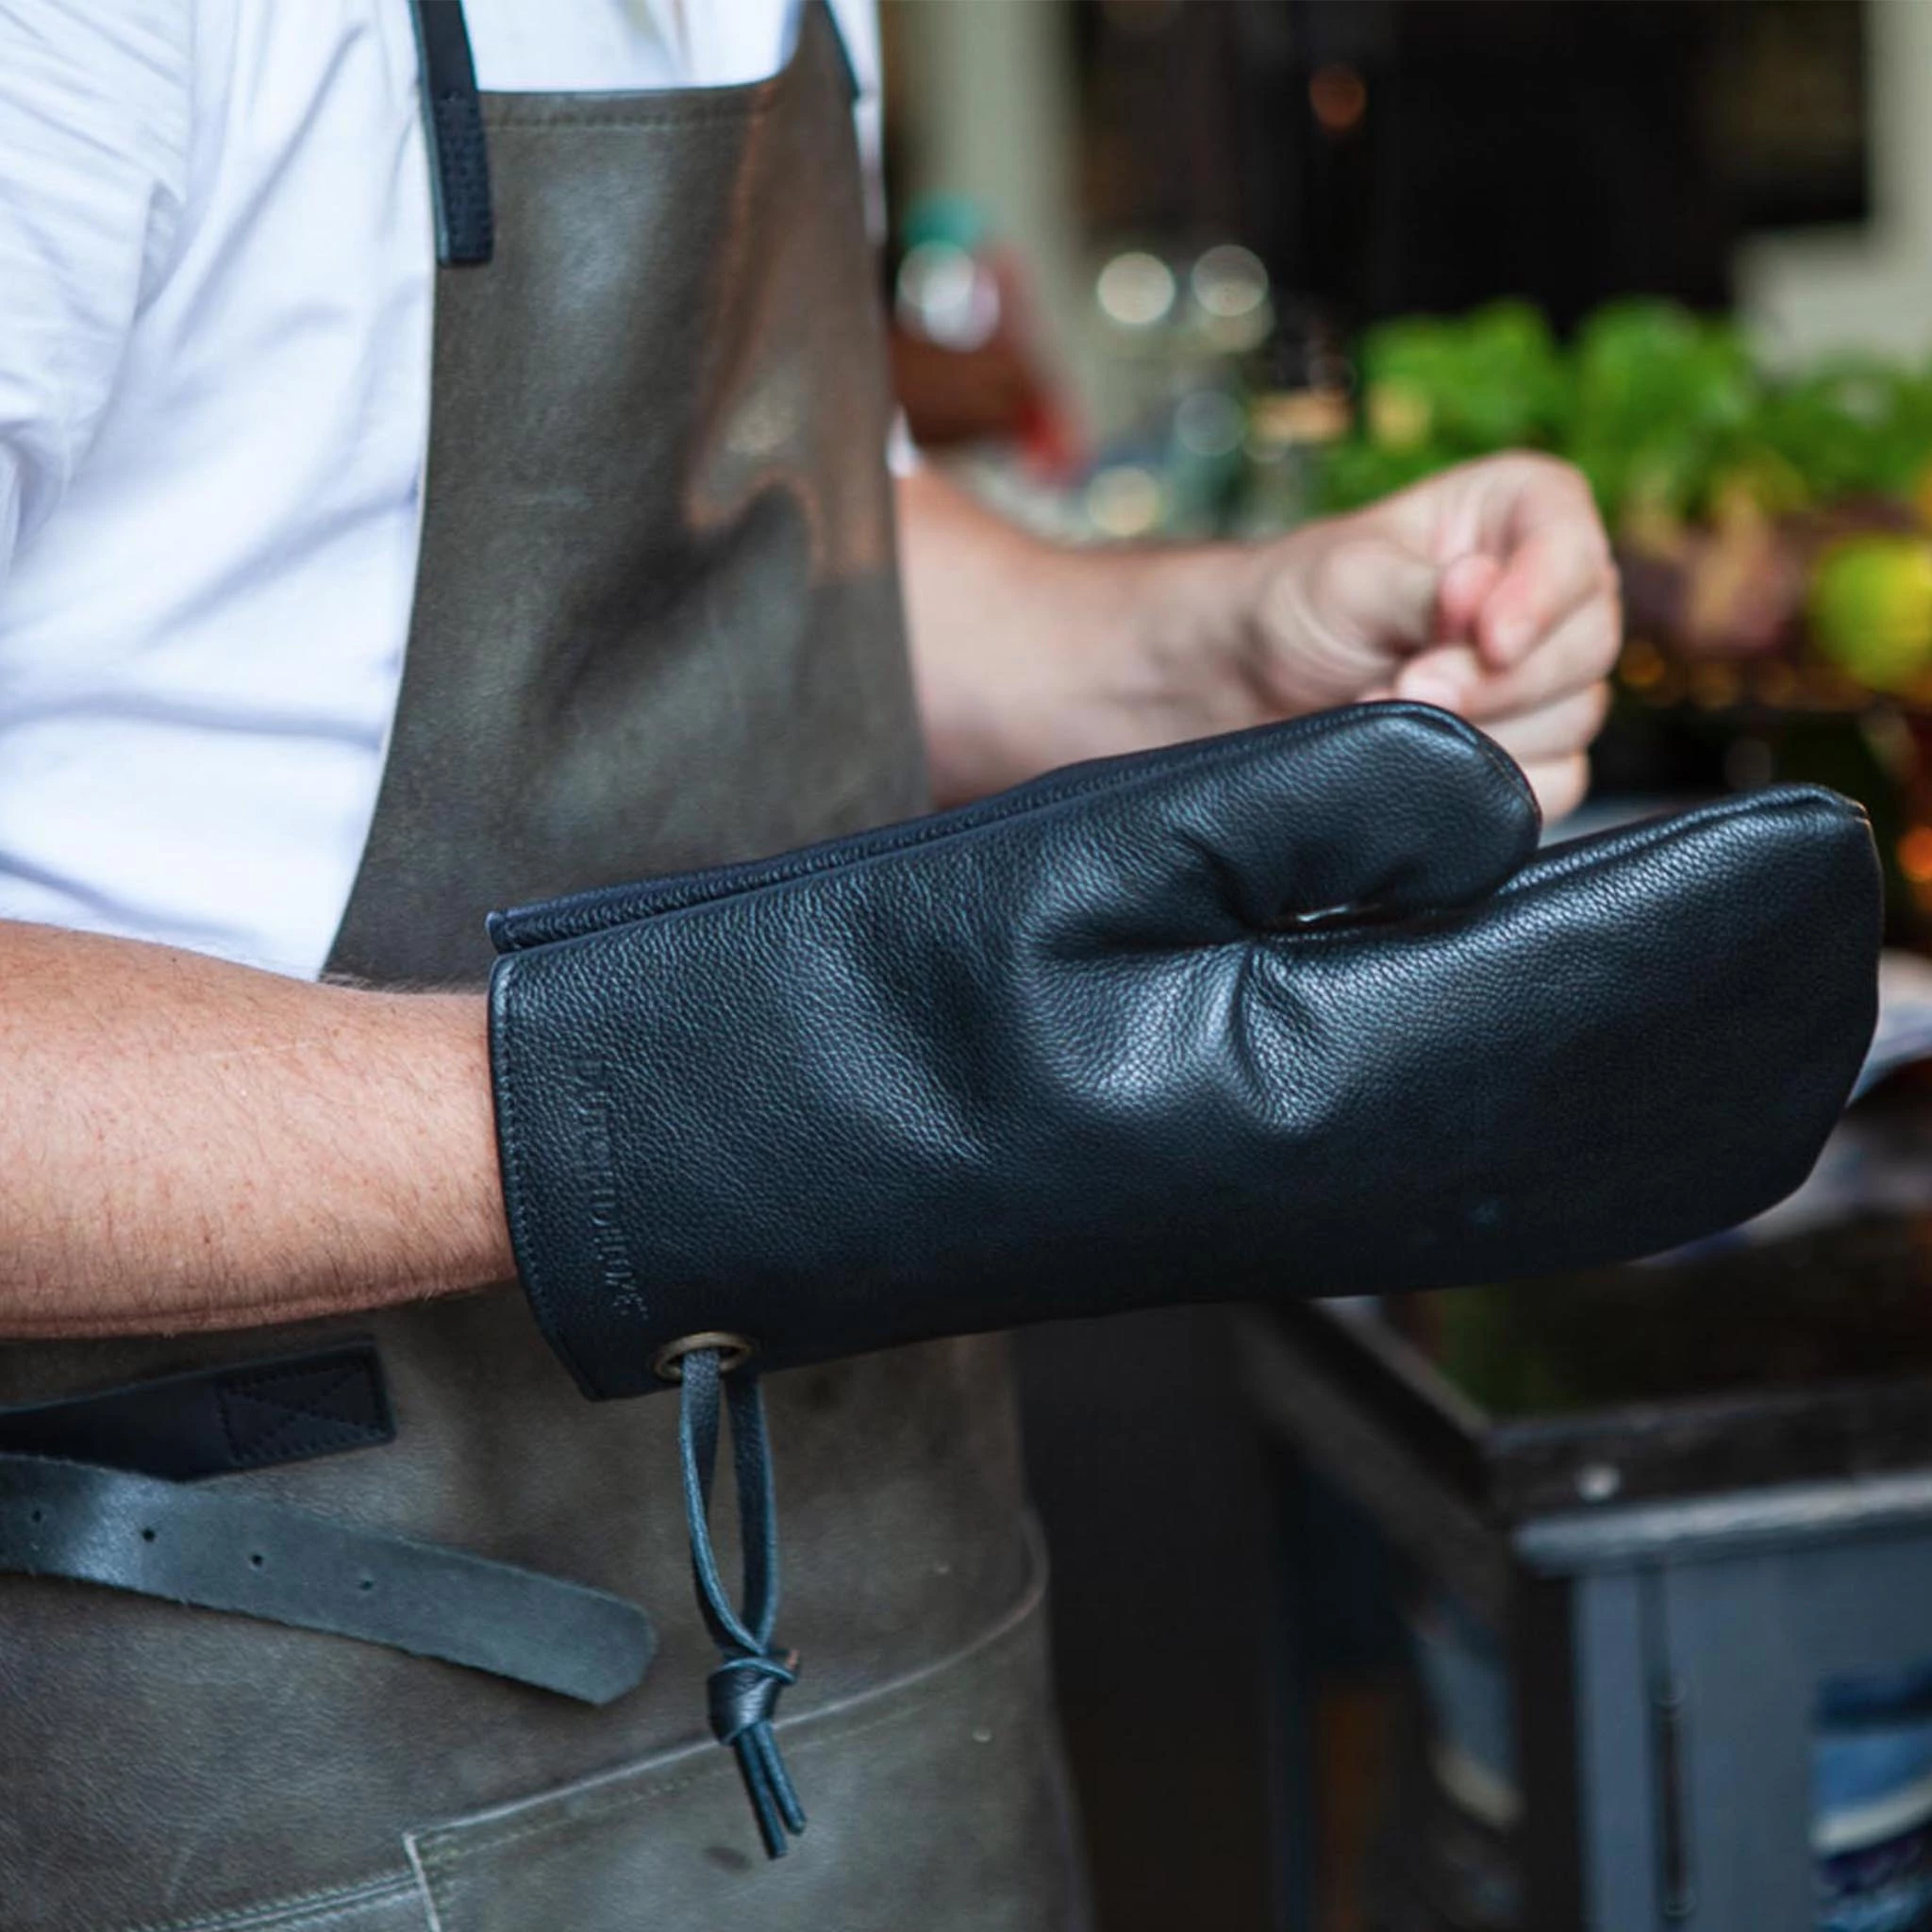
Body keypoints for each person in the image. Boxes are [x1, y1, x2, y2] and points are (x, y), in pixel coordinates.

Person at [0, 4, 1856, 1930]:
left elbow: (810, 519)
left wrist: (1219, 650)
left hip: (881, 1657)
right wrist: (750, 1105)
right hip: (264, 1757)